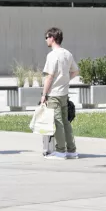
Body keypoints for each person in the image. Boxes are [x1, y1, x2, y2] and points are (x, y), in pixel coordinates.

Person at [40, 27, 80, 160]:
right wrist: (64, 79)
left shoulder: (52, 55)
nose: (45, 40)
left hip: (54, 94)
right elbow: (75, 71)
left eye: (46, 37)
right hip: (64, 93)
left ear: (52, 38)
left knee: (57, 122)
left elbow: (49, 77)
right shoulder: (67, 54)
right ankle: (72, 150)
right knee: (65, 121)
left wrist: (44, 94)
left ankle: (61, 151)